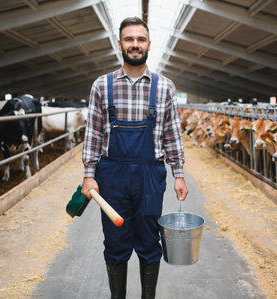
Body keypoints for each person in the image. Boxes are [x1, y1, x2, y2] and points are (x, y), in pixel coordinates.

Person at [81, 16, 188, 299]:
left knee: (149, 241)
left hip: (150, 176)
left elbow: (172, 133)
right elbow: (92, 133)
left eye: (140, 39)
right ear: (120, 44)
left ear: (149, 44)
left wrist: (179, 174)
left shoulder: (164, 86)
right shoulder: (101, 86)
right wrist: (88, 175)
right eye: (129, 39)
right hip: (111, 176)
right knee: (115, 243)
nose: (135, 44)